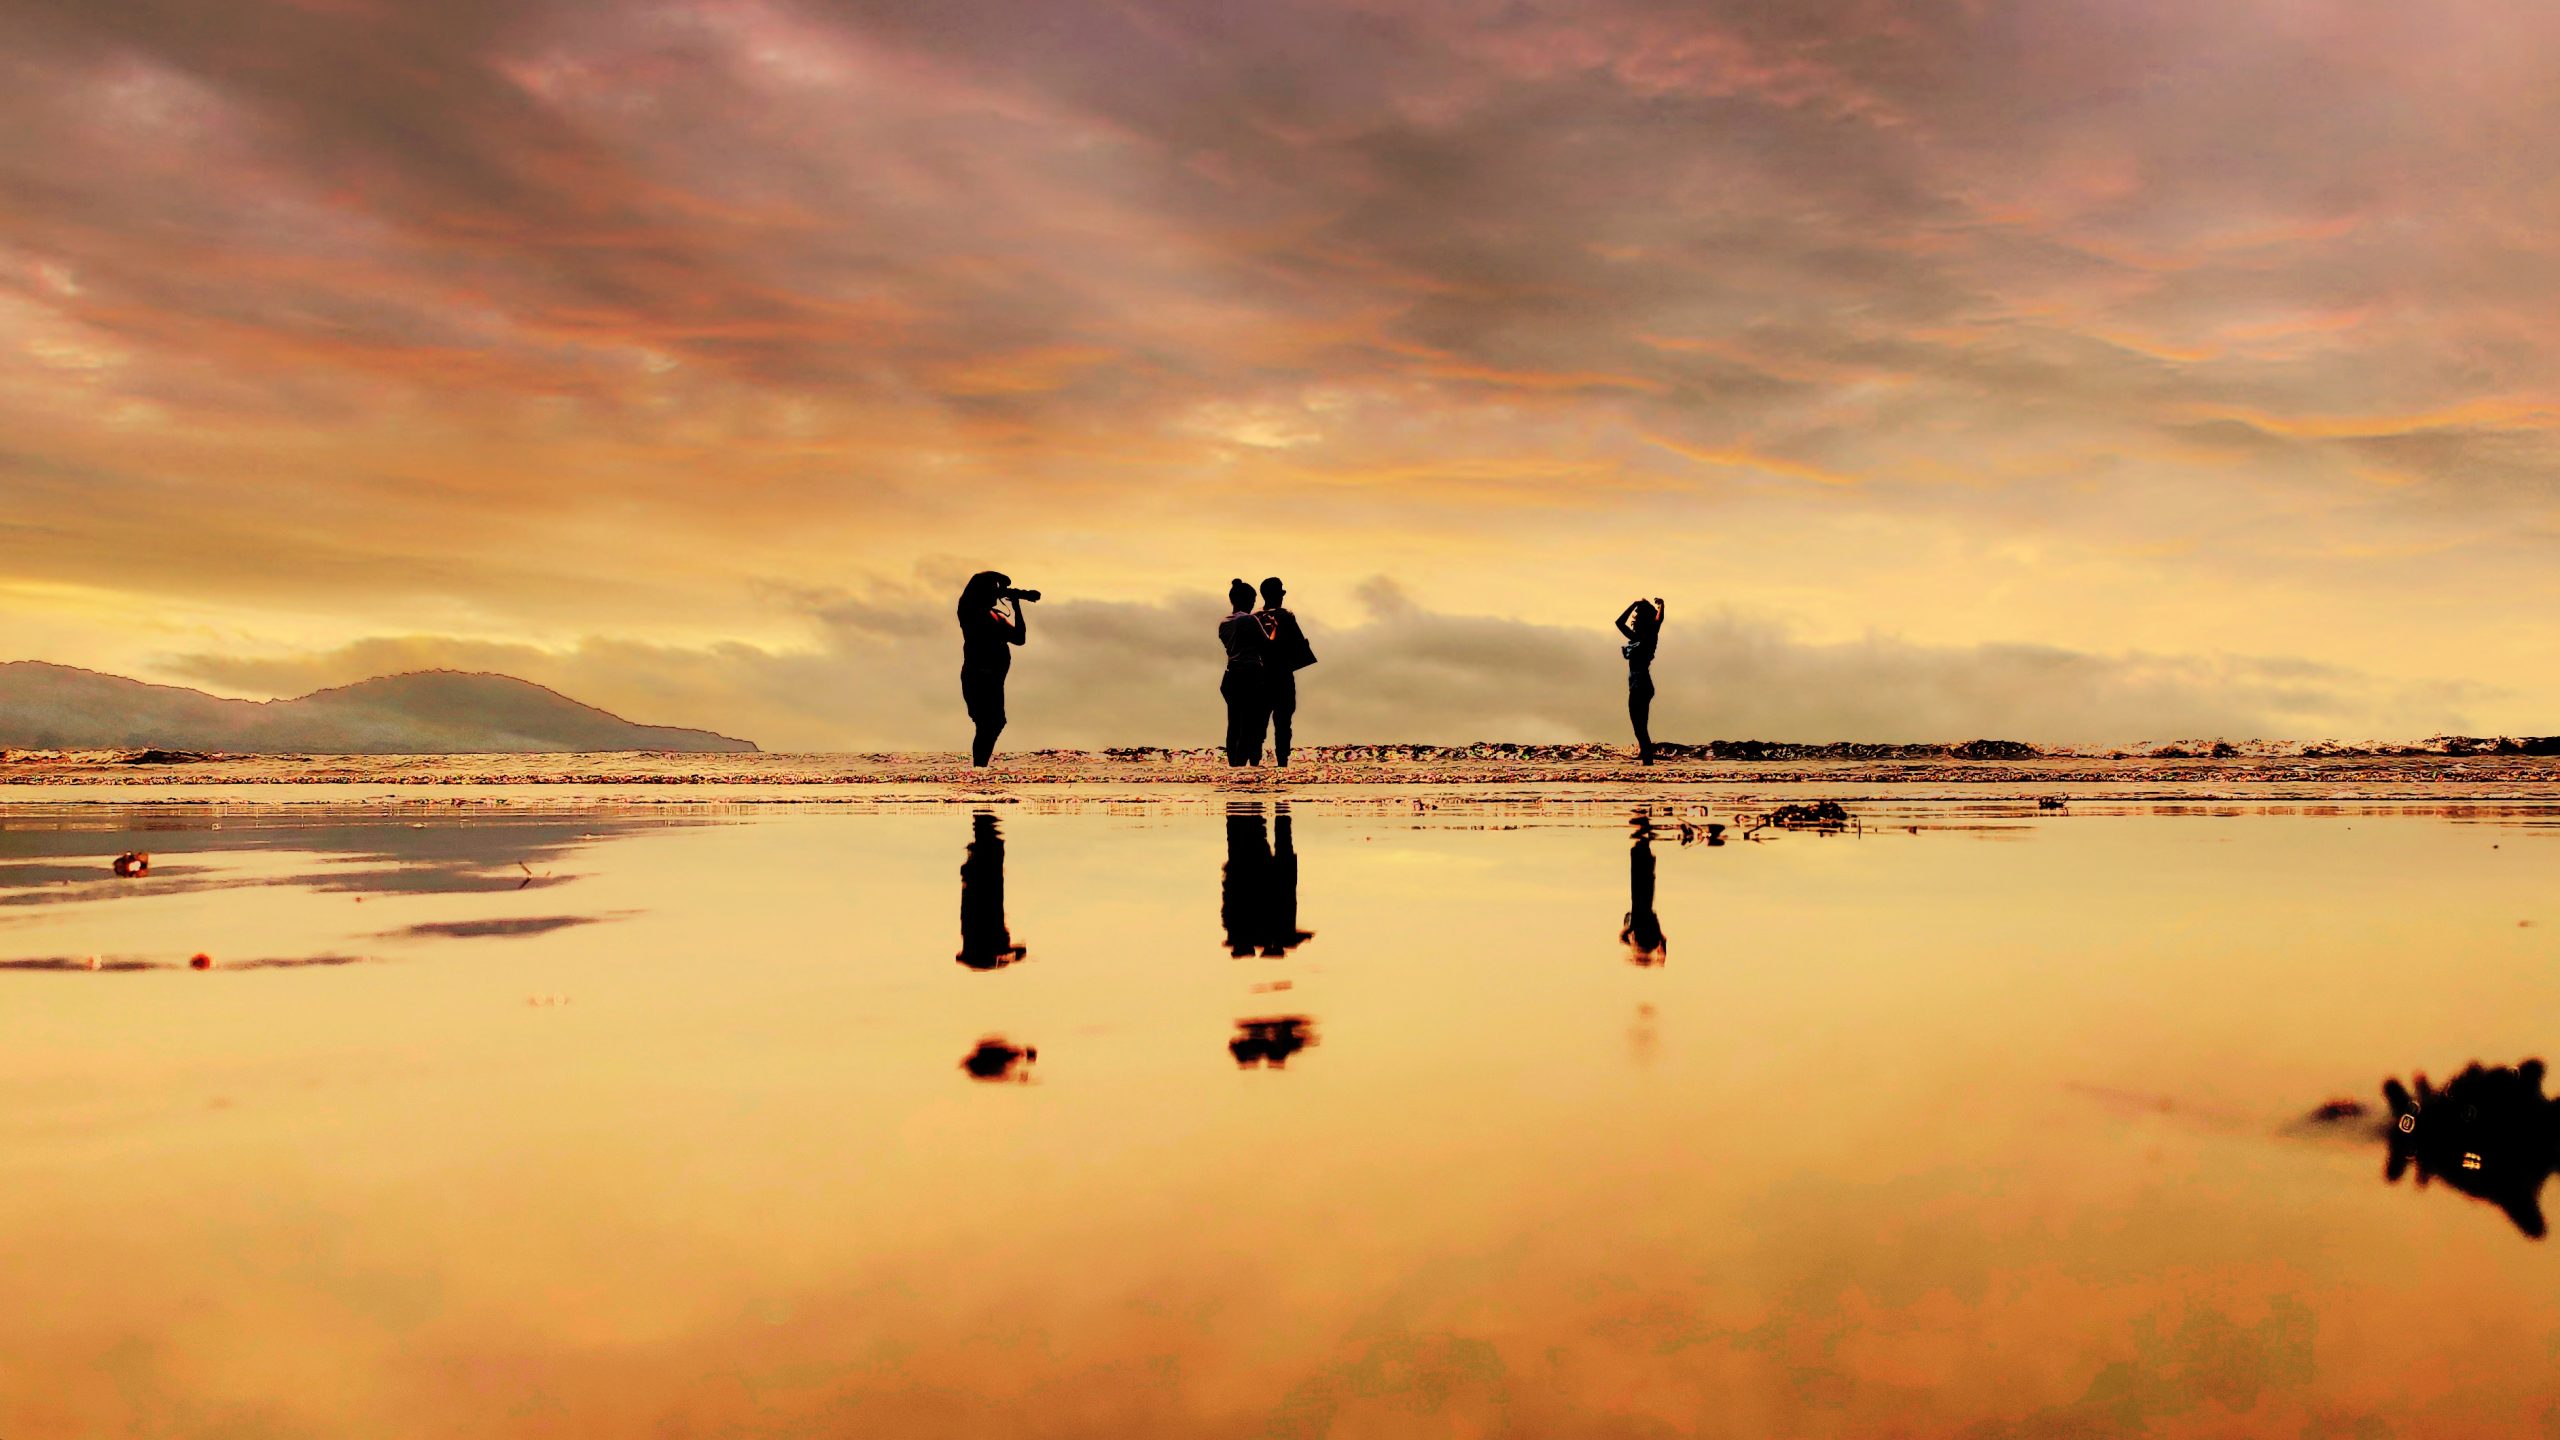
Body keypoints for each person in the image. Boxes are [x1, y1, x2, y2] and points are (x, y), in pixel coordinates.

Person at [957, 571, 1034, 766]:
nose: (997, 594)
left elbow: (1019, 638)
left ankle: (980, 767)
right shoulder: (970, 611)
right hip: (979, 676)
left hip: (994, 679)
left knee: (994, 723)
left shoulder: (996, 616)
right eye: (994, 590)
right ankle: (979, 768)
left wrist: (1016, 604)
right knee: (987, 724)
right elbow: (974, 585)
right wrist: (999, 577)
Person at [956, 811, 1028, 971]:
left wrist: (1009, 956)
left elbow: (1015, 951)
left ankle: (984, 807)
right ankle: (984, 809)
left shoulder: (982, 931)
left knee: (988, 839)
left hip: (982, 882)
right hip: (979, 881)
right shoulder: (975, 931)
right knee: (988, 838)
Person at [1257, 577, 1317, 767]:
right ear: (1278, 595)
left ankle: (1254, 762)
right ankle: (1282, 762)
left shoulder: (1254, 617)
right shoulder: (1286, 617)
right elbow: (1300, 647)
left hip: (1260, 677)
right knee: (1283, 723)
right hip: (1282, 675)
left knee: (1259, 722)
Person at [1217, 578, 1268, 767]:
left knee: (1234, 723)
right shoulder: (1249, 619)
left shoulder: (1224, 623)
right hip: (1250, 674)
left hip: (1231, 675)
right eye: (1253, 599)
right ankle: (1243, 765)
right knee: (1250, 723)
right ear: (1248, 600)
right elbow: (1267, 644)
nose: (1254, 603)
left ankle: (1233, 766)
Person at [1614, 596, 1664, 765]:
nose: (1636, 616)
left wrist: (1661, 606)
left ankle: (1648, 762)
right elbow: (1619, 622)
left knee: (1640, 728)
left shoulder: (1650, 636)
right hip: (1638, 685)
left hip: (1641, 684)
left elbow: (1659, 620)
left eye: (1638, 613)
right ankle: (1647, 762)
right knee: (1639, 728)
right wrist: (1633, 605)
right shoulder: (1636, 637)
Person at [1622, 812, 1667, 966]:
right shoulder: (1642, 935)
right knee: (1642, 871)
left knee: (1645, 872)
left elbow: (1663, 939)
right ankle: (1643, 831)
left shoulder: (1650, 939)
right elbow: (1624, 935)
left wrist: (1661, 957)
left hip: (1645, 899)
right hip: (1640, 900)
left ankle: (1644, 833)